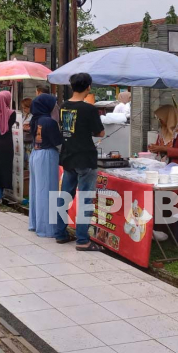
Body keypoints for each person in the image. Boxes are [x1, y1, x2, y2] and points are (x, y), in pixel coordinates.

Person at [55, 73, 105, 251]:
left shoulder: (64, 106)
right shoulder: (89, 109)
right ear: (88, 87)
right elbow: (100, 132)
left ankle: (60, 233)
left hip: (69, 157)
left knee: (64, 197)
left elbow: (68, 130)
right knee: (85, 199)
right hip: (85, 158)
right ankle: (83, 240)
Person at [28, 94, 63, 238]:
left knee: (37, 190)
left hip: (35, 154)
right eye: (54, 105)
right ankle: (48, 229)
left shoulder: (34, 119)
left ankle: (36, 223)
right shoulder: (49, 121)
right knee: (48, 191)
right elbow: (57, 142)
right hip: (47, 155)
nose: (56, 108)